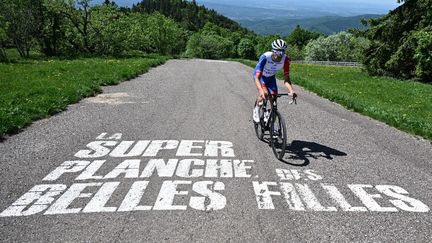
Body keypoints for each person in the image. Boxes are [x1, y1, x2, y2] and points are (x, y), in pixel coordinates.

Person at [252, 39, 297, 123]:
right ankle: (256, 108)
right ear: (273, 51)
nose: (280, 56)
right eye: (278, 52)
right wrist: (261, 91)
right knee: (264, 94)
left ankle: (272, 125)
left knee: (273, 99)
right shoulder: (265, 57)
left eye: (282, 53)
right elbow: (257, 78)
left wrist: (291, 91)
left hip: (271, 77)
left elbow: (286, 79)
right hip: (261, 77)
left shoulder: (285, 60)